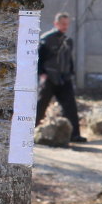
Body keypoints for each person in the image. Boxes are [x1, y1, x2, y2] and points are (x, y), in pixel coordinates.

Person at [37, 12, 87, 143]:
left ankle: (74, 135)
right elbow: (39, 58)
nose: (65, 26)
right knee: (40, 105)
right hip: (49, 77)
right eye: (62, 24)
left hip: (64, 79)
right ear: (56, 24)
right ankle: (29, 132)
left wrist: (70, 73)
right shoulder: (46, 39)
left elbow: (69, 60)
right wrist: (41, 73)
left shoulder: (68, 41)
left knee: (70, 107)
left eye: (67, 24)